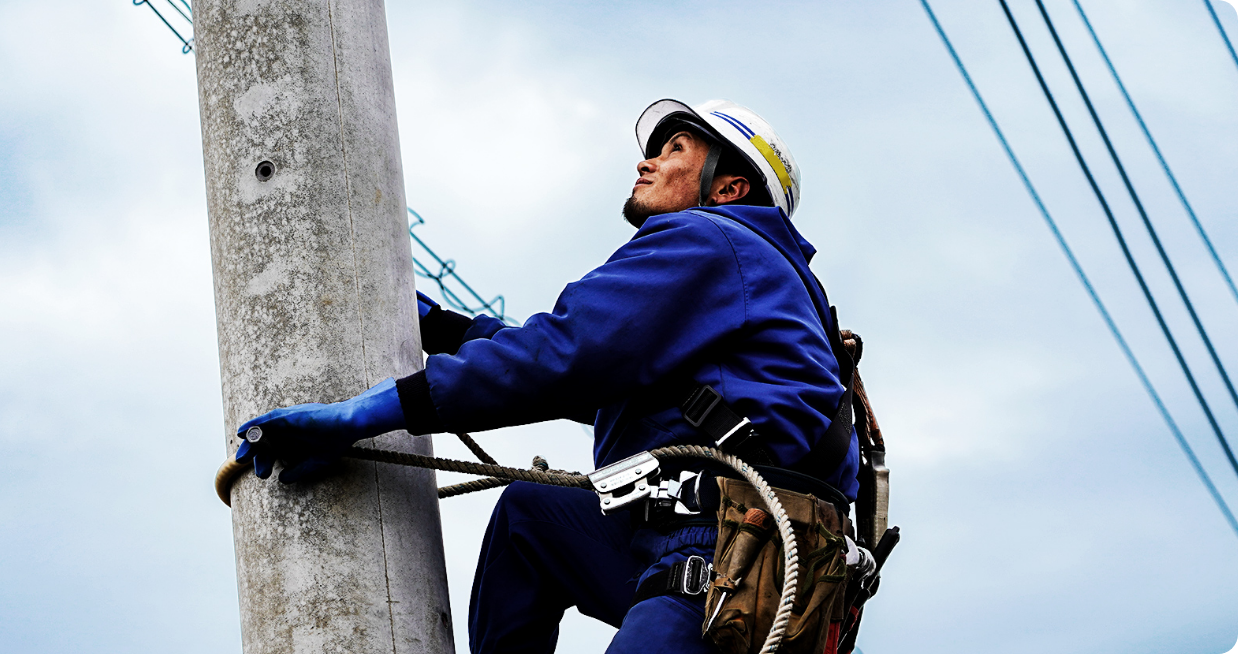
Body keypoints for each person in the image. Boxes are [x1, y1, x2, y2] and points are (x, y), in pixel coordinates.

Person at [235, 99, 859, 654]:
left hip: (716, 570)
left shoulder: (713, 240)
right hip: (749, 566)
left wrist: (359, 416)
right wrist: (448, 331)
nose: (647, 162)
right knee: (531, 515)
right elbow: (595, 374)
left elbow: (566, 353)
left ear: (728, 188)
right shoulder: (763, 286)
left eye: (675, 150)